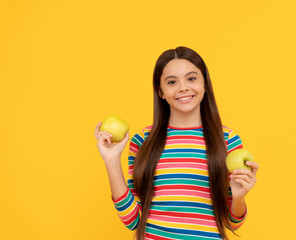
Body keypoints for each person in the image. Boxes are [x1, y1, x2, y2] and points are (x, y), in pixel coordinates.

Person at [94, 46, 259, 240]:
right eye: (172, 82)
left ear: (204, 84)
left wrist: (239, 198)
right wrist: (111, 160)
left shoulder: (227, 140)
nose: (183, 87)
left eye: (191, 78)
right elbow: (133, 220)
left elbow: (231, 222)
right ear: (161, 91)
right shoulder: (142, 141)